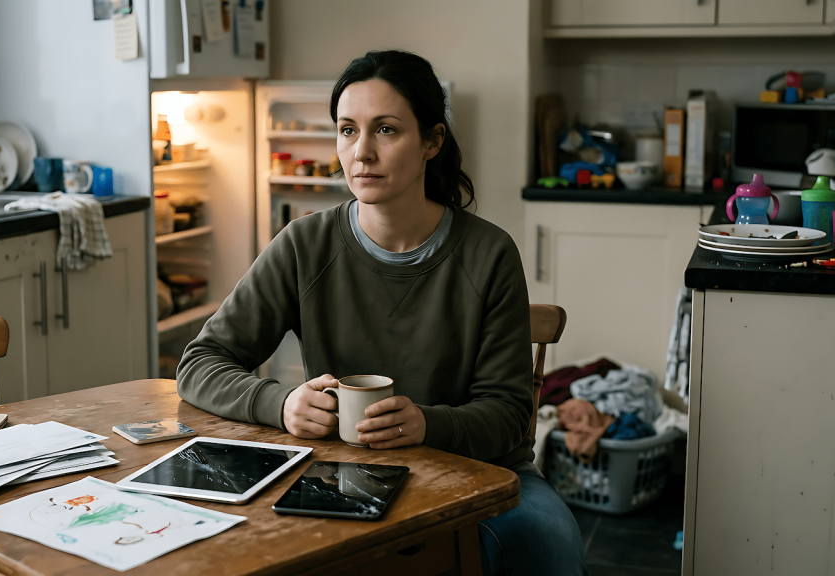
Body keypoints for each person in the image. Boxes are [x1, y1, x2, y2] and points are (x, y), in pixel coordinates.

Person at [177, 49, 587, 575]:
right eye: (348, 130)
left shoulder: (489, 253)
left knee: (547, 544)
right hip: (343, 471)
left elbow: (508, 417)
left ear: (432, 142)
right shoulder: (304, 243)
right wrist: (280, 404)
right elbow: (200, 363)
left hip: (479, 471)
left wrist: (426, 424)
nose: (361, 152)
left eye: (386, 130)